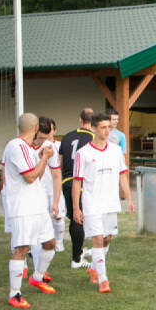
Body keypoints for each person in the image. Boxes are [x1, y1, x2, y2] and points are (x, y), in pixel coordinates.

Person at [72, 112, 135, 293]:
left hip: (110, 202)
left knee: (107, 238)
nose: (107, 131)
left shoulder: (115, 150)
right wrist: (76, 208)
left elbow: (122, 175)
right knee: (98, 239)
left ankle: (94, 267)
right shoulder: (83, 153)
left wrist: (129, 198)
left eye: (109, 127)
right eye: (103, 127)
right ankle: (103, 279)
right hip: (92, 203)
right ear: (93, 128)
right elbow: (77, 182)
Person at [2, 112, 58, 307]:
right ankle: (14, 293)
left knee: (50, 242)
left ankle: (38, 277)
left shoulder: (28, 148)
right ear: (35, 128)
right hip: (23, 208)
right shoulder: (16, 146)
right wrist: (45, 158)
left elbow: (38, 175)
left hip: (38, 206)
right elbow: (30, 177)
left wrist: (42, 158)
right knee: (22, 248)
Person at [59, 108, 95, 268]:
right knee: (79, 218)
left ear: (80, 120)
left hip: (67, 181)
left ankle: (78, 252)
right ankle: (76, 258)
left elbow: (60, 162)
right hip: (82, 182)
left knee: (75, 217)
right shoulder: (93, 138)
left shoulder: (67, 137)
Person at [35, 117, 65, 255]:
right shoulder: (22, 146)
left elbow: (57, 175)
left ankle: (59, 242)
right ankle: (34, 246)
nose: (44, 141)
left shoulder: (53, 146)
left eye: (46, 137)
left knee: (58, 215)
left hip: (51, 188)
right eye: (41, 138)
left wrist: (56, 201)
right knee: (37, 220)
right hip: (34, 190)